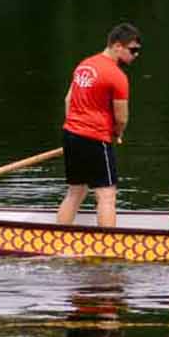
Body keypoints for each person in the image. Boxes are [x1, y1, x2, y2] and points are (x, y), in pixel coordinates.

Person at [57, 22, 140, 227]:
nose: (136, 55)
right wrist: (117, 133)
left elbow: (69, 100)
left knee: (76, 191)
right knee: (106, 195)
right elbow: (121, 118)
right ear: (117, 46)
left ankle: (58, 236)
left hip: (71, 133)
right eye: (133, 50)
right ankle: (107, 249)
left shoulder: (84, 65)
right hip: (95, 138)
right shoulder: (117, 76)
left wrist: (74, 126)